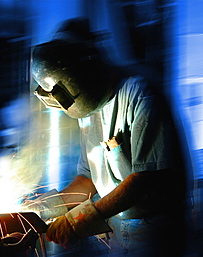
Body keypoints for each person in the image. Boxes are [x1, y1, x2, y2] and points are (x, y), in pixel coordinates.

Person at [29, 18, 190, 257]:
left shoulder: (140, 93)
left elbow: (142, 180)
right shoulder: (85, 105)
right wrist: (42, 208)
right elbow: (87, 179)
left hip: (154, 231)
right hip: (116, 228)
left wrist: (77, 220)